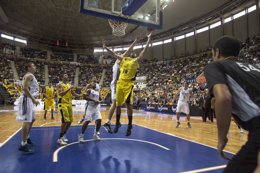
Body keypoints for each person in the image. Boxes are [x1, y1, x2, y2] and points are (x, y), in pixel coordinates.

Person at [204, 36, 260, 173]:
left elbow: (223, 98)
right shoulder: (255, 67)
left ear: (216, 52)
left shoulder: (215, 66)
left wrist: (222, 138)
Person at [103, 30, 152, 136]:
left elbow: (144, 51)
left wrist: (148, 39)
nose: (123, 54)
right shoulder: (123, 59)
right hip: (119, 84)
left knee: (129, 105)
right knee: (117, 105)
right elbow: (114, 54)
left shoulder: (135, 61)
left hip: (128, 85)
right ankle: (117, 123)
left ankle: (129, 125)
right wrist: (105, 47)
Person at [103, 38, 138, 133]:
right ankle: (107, 122)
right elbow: (125, 51)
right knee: (115, 103)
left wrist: (106, 47)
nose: (123, 56)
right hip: (116, 85)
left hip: (120, 85)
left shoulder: (121, 63)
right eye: (121, 55)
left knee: (123, 104)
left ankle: (116, 122)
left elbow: (117, 53)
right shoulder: (119, 62)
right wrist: (135, 41)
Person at [16, 62, 39, 153]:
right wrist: (33, 99)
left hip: (29, 100)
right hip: (27, 100)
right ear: (29, 67)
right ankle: (23, 144)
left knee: (32, 119)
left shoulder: (31, 76)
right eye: (33, 65)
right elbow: (25, 88)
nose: (35, 67)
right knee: (27, 121)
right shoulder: (29, 75)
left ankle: (27, 137)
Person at [57, 74, 81, 145]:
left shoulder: (69, 85)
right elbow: (61, 94)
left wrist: (81, 95)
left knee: (70, 121)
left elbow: (74, 94)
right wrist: (69, 89)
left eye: (67, 75)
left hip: (69, 104)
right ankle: (59, 139)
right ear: (62, 77)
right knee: (64, 121)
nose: (66, 76)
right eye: (65, 75)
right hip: (62, 104)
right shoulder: (59, 84)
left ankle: (63, 135)